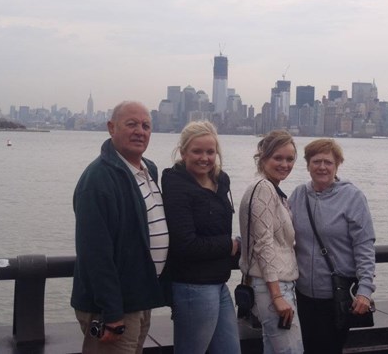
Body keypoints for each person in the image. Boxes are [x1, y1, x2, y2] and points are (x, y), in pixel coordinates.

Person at [71, 101, 169, 354]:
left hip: (139, 298)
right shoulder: (98, 179)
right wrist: (111, 312)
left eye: (146, 126)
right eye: (131, 124)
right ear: (111, 128)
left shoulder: (149, 170)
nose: (140, 131)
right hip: (114, 307)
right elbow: (95, 253)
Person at [288, 138, 376, 354]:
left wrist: (365, 290)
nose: (322, 167)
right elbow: (277, 226)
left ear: (337, 165)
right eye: (316, 161)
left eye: (328, 162)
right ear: (308, 165)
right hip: (302, 295)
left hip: (336, 297)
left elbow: (364, 245)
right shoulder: (299, 195)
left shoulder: (352, 197)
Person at [161, 121, 241, 354]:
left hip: (218, 282)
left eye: (210, 151)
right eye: (197, 151)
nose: (204, 157)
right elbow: (185, 244)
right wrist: (229, 244)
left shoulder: (220, 181)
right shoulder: (176, 185)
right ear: (183, 151)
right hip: (192, 285)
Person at [238, 130, 304, 354]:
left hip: (273, 283)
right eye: (278, 158)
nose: (285, 164)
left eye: (290, 159)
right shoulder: (264, 189)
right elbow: (264, 244)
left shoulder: (272, 189)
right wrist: (277, 296)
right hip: (272, 286)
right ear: (263, 157)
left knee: (274, 348)